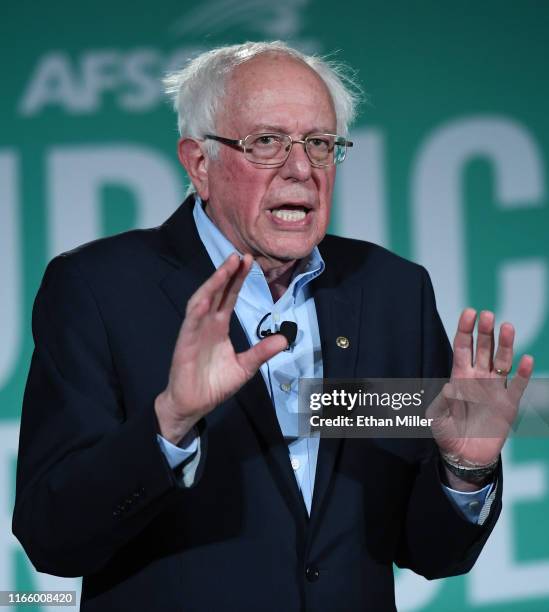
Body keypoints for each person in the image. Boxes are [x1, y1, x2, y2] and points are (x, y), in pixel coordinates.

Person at [13, 41, 533, 612]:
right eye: (266, 143)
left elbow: (433, 554)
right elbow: (51, 536)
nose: (302, 169)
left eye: (319, 144)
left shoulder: (390, 292)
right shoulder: (99, 289)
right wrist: (169, 425)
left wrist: (464, 468)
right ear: (199, 163)